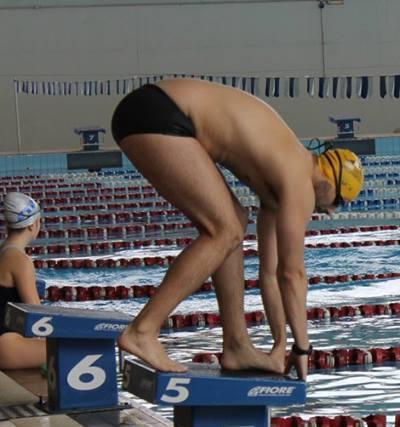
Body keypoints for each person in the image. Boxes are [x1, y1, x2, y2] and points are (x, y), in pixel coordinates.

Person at [110, 78, 363, 380]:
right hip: (160, 113)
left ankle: (236, 346)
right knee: (225, 229)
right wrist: (303, 348)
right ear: (329, 180)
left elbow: (271, 275)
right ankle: (142, 331)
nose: (331, 211)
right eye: (337, 201)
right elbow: (293, 274)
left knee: (233, 224)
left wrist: (280, 345)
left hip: (155, 110)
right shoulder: (300, 182)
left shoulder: (279, 185)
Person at [0, 192, 46, 370]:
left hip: (6, 342)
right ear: (33, 224)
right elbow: (38, 316)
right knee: (77, 348)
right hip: (7, 346)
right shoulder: (20, 260)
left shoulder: (3, 250)